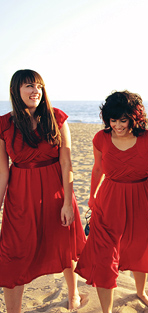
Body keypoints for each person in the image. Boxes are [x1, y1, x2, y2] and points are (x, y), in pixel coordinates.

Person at [0, 69, 86, 312]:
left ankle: (73, 293)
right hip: (20, 197)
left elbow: (66, 162)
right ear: (16, 90)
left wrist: (68, 203)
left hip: (55, 193)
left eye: (38, 86)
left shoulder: (57, 118)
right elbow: (2, 171)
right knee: (13, 253)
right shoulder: (4, 124)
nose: (35, 90)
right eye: (28, 85)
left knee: (64, 245)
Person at [75, 91, 148, 313]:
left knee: (139, 249)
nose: (117, 125)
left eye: (123, 120)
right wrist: (91, 195)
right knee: (104, 256)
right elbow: (97, 169)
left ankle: (141, 291)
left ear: (134, 117)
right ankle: (106, 311)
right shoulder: (101, 138)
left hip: (141, 199)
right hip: (108, 199)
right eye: (112, 120)